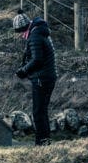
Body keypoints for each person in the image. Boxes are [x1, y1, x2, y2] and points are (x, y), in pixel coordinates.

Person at [13, 13, 58, 146]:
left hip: (41, 78)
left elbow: (37, 60)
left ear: (25, 28)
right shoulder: (40, 32)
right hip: (47, 76)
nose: (21, 35)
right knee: (42, 111)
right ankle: (45, 141)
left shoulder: (35, 36)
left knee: (38, 112)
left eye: (20, 31)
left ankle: (41, 143)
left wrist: (23, 71)